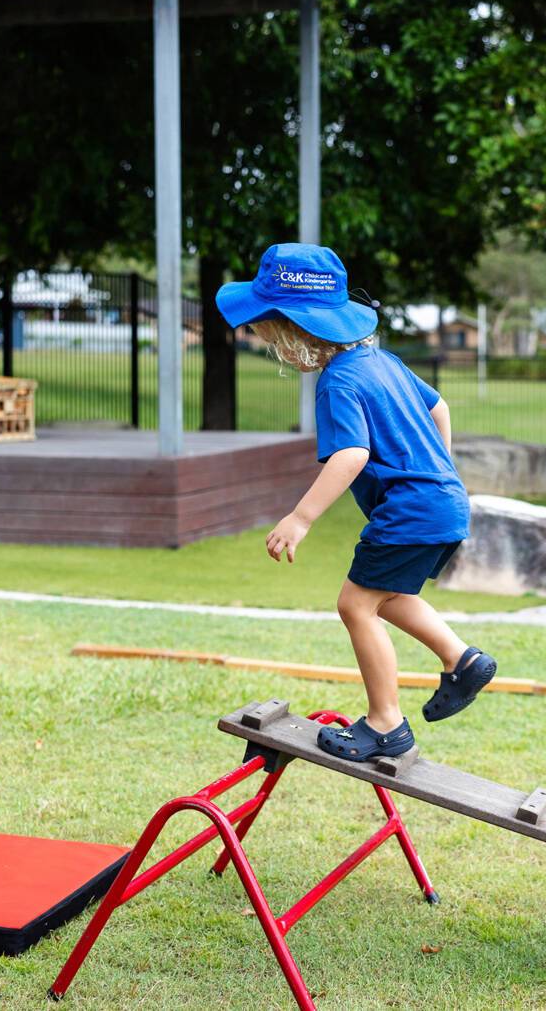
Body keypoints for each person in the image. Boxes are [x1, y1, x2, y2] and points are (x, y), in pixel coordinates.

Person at [214, 242, 497, 763]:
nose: (270, 345)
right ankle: (462, 660)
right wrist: (440, 469)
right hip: (445, 501)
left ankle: (386, 724)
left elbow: (351, 454)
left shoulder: (339, 381)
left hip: (410, 510)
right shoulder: (382, 362)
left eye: (269, 334)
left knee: (355, 605)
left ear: (295, 333)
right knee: (386, 595)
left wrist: (300, 518)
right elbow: (439, 408)